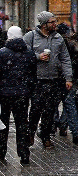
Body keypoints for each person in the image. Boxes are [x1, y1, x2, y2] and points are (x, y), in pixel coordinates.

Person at [0, 26, 37, 164]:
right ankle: (24, 154)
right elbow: (33, 76)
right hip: (22, 95)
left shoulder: (2, 53)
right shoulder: (29, 53)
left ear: (8, 37)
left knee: (3, 123)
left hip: (4, 95)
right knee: (22, 124)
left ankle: (1, 150)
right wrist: (30, 91)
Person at [23, 11, 73, 148]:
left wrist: (68, 78)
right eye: (52, 22)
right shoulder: (31, 36)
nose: (55, 24)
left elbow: (65, 59)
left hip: (54, 79)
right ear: (44, 24)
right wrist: (38, 57)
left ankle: (45, 136)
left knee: (50, 110)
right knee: (36, 109)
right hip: (37, 79)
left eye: (54, 21)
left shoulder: (58, 38)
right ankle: (31, 134)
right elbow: (23, 54)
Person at [52, 23, 78, 145]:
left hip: (58, 78)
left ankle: (55, 124)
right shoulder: (70, 45)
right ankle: (71, 130)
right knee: (70, 104)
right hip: (70, 78)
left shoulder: (57, 43)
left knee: (55, 103)